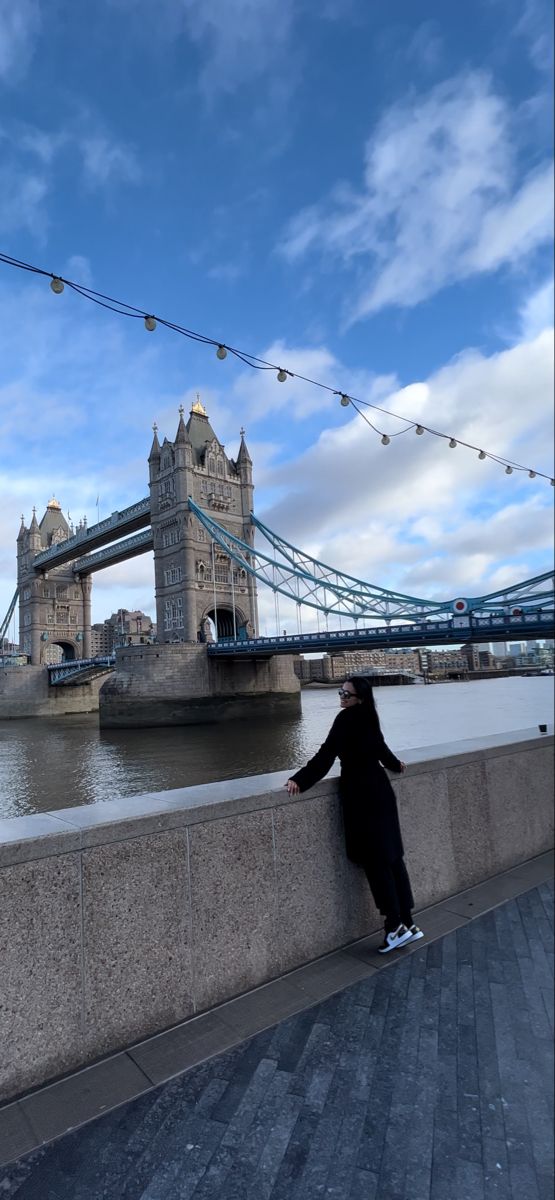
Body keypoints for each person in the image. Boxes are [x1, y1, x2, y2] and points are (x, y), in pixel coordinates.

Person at [285, 675, 423, 954]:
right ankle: (409, 923)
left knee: (376, 862)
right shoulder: (371, 717)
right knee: (393, 857)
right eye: (340, 692)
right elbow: (381, 750)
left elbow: (326, 755)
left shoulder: (346, 719)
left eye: (346, 694)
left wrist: (300, 778)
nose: (341, 697)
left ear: (359, 698)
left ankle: (394, 927)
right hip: (381, 791)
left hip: (361, 795)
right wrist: (395, 764)